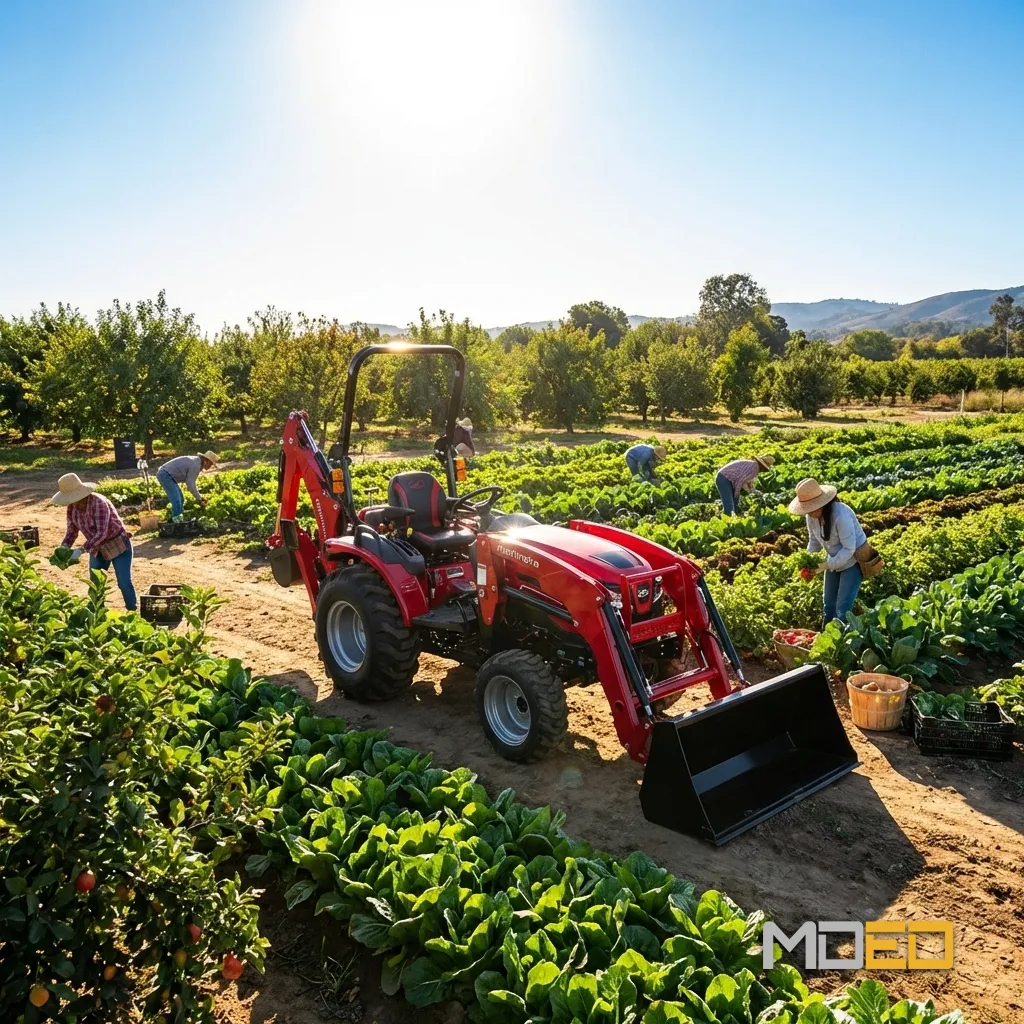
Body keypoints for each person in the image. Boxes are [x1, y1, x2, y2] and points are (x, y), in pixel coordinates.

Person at [51, 472, 137, 611]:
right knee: (95, 584)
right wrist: (64, 547)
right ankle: (98, 613)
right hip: (97, 548)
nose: (72, 502)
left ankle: (132, 610)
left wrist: (81, 550)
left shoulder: (98, 503)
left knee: (123, 582)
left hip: (117, 544)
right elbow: (71, 531)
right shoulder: (72, 508)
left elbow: (101, 533)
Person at [789, 477, 867, 630]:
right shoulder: (811, 517)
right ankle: (825, 638)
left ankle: (843, 641)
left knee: (842, 608)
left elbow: (849, 549)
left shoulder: (841, 516)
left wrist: (825, 565)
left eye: (811, 508)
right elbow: (814, 542)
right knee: (828, 605)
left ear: (822, 504)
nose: (808, 513)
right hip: (833, 559)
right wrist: (808, 562)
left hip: (853, 562)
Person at [156, 451, 218, 521]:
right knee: (177, 500)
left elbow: (189, 482)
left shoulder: (197, 462)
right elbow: (190, 484)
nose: (210, 466)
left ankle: (179, 518)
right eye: (210, 464)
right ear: (206, 461)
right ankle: (176, 522)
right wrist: (200, 498)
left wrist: (199, 497)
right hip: (165, 475)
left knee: (181, 499)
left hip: (168, 475)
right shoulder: (196, 465)